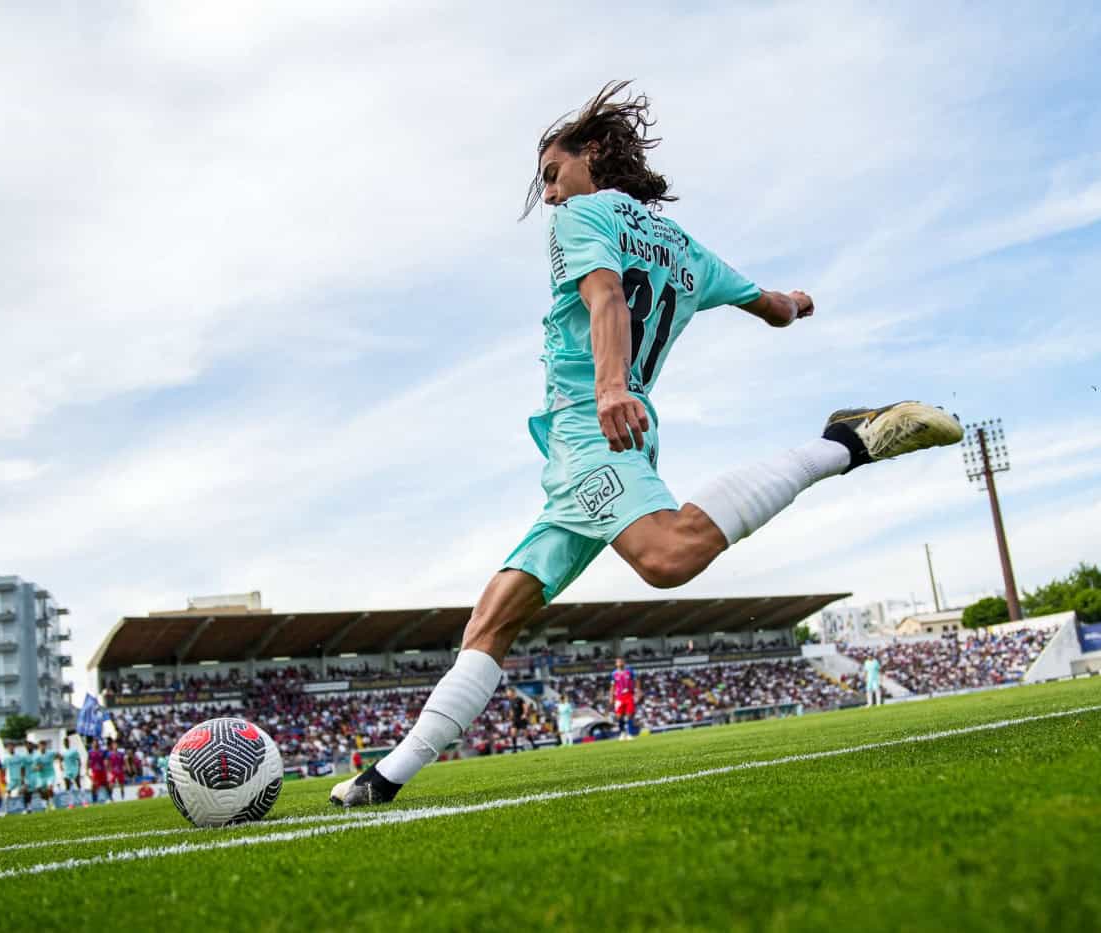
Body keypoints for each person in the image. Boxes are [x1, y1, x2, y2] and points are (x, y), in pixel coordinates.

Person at [331, 81, 962, 808]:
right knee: (493, 617)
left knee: (667, 556)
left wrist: (608, 387)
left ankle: (844, 442)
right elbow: (774, 308)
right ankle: (385, 779)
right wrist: (795, 302)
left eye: (551, 173)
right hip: (607, 440)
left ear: (591, 152)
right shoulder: (684, 246)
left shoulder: (582, 216)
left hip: (594, 423)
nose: (551, 193)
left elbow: (603, 295)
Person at [611, 658, 638, 740]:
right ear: (616, 664)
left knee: (629, 715)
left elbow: (636, 680)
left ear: (624, 662)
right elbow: (612, 686)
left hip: (629, 695)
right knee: (619, 716)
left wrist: (638, 691)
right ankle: (622, 733)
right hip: (619, 697)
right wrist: (611, 697)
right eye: (618, 662)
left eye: (621, 661)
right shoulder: (613, 673)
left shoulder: (630, 671)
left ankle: (630, 734)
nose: (620, 663)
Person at [30, 739, 58, 812]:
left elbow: (58, 755)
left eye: (43, 745)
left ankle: (52, 804)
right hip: (41, 776)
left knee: (49, 788)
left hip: (50, 774)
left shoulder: (50, 753)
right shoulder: (36, 756)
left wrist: (60, 761)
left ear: (45, 746)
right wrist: (37, 768)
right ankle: (45, 804)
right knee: (40, 789)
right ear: (38, 746)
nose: (42, 747)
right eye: (41, 745)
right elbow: (33, 767)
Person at [61, 735, 86, 809]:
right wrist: (61, 767)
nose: (65, 743)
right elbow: (61, 760)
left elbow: (79, 760)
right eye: (64, 742)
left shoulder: (74, 750)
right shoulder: (63, 752)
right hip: (67, 771)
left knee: (79, 785)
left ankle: (84, 802)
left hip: (74, 769)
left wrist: (79, 770)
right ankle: (71, 804)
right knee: (67, 787)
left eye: (66, 742)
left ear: (69, 742)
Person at [506, 688, 528, 752]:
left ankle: (533, 744)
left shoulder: (519, 699)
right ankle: (515, 749)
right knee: (513, 733)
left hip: (521, 719)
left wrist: (524, 714)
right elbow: (511, 711)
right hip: (515, 720)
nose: (507, 694)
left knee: (526, 734)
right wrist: (510, 718)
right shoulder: (510, 701)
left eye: (508, 692)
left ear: (513, 692)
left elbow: (525, 707)